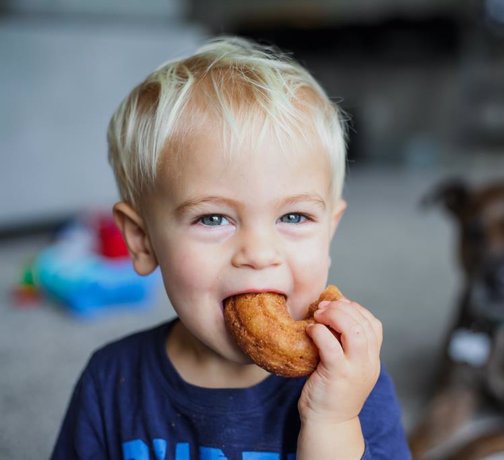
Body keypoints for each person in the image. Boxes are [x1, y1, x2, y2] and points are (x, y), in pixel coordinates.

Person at [51, 36, 411, 459]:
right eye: (213, 218)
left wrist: (333, 422)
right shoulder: (110, 382)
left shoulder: (350, 381)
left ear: (329, 232)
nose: (259, 253)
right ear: (142, 239)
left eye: (294, 217)